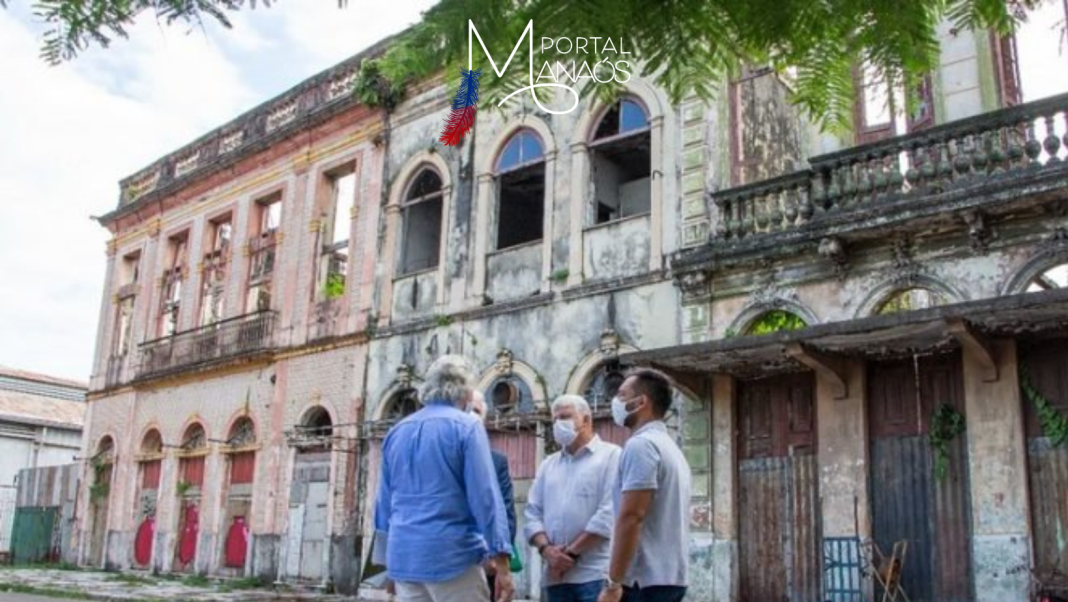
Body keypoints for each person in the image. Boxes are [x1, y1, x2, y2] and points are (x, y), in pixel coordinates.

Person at [373, 355, 515, 602]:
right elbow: (486, 498)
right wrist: (502, 562)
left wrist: (384, 570)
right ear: (467, 392)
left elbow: (383, 507)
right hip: (453, 558)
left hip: (405, 559)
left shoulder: (396, 432)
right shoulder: (467, 427)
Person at [598, 368, 691, 602]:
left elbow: (631, 516)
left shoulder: (641, 446)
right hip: (669, 577)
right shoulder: (670, 448)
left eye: (621, 395)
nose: (615, 402)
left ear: (640, 402)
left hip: (643, 581)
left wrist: (613, 583)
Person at [526, 394, 621, 602]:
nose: (559, 424)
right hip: (555, 579)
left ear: (586, 420)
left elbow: (609, 514)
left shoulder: (612, 457)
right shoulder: (548, 465)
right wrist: (546, 550)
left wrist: (568, 556)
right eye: (555, 419)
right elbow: (532, 515)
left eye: (566, 416)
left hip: (595, 575)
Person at [469, 390, 518, 596]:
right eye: (467, 409)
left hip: (485, 560)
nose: (471, 416)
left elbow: (505, 512)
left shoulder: (496, 461)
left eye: (476, 411)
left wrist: (499, 560)